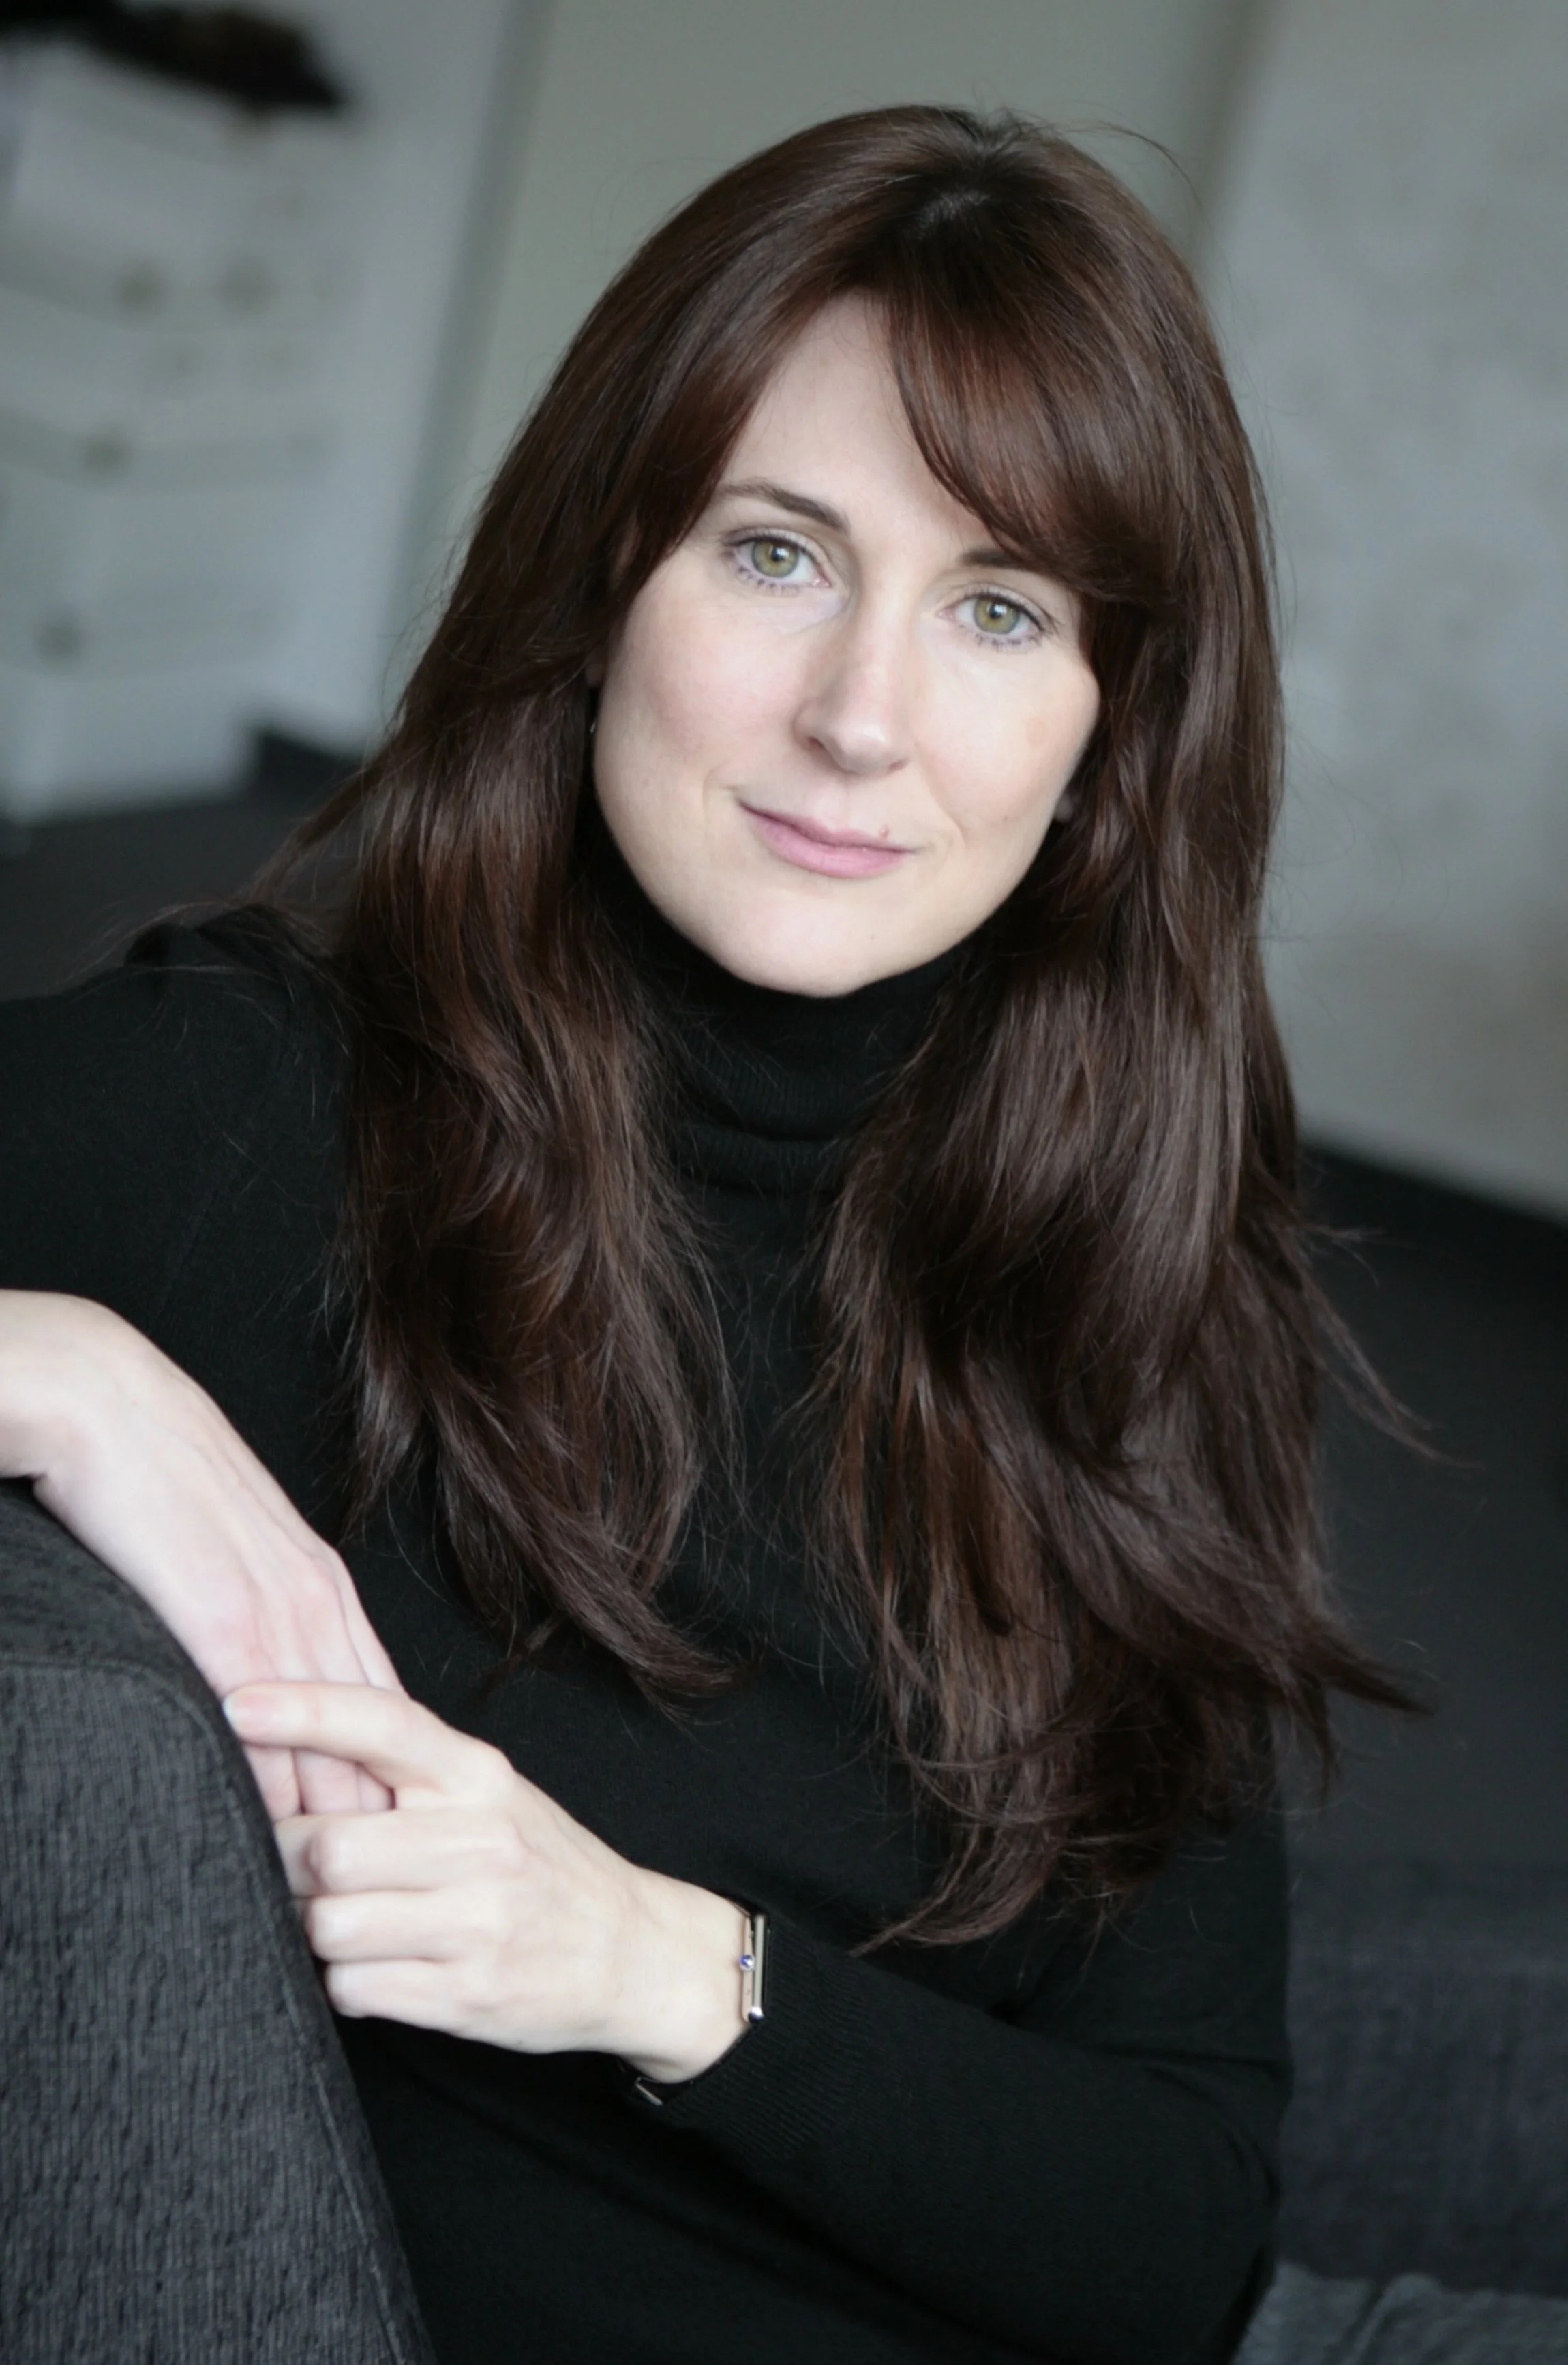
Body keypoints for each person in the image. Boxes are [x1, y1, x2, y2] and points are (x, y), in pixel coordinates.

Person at [4, 105, 1561, 2365]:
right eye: (774, 554)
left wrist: (651, 1964)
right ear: (602, 578)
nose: (858, 717)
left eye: (997, 607)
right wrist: (68, 1369)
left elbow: (1176, 2227)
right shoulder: (263, 1101)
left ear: (1106, 735)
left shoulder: (1121, 1253)